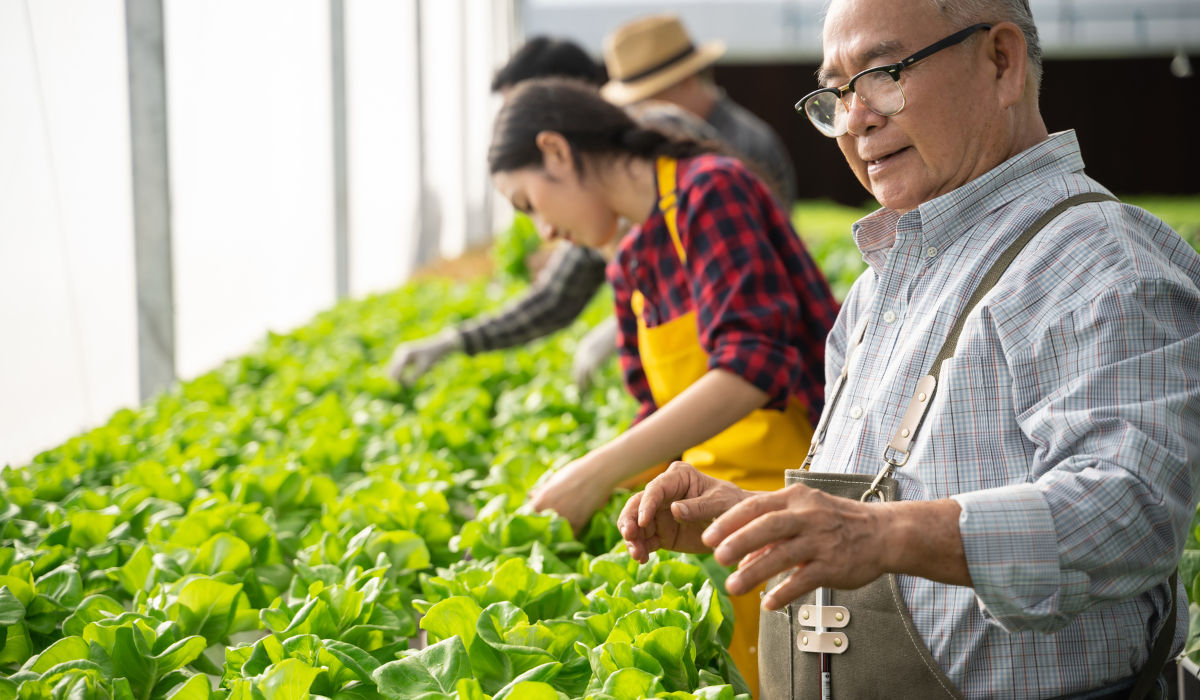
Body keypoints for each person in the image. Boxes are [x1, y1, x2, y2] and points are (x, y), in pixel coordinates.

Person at [618, 0, 1200, 698]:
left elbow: (1131, 512)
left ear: (1001, 61)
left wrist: (884, 536)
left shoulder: (1097, 258)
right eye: (836, 93)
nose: (855, 117)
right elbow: (879, 505)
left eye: (883, 74)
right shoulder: (880, 287)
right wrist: (753, 516)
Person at [489, 78, 839, 698]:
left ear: (557, 152)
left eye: (529, 203)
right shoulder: (630, 262)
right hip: (719, 521)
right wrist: (560, 494)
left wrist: (594, 474)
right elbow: (658, 417)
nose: (543, 230)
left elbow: (750, 367)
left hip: (812, 502)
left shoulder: (712, 189)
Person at [601, 14, 799, 208]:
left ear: (685, 80)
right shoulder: (659, 143)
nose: (637, 113)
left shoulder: (747, 145)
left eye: (646, 99)